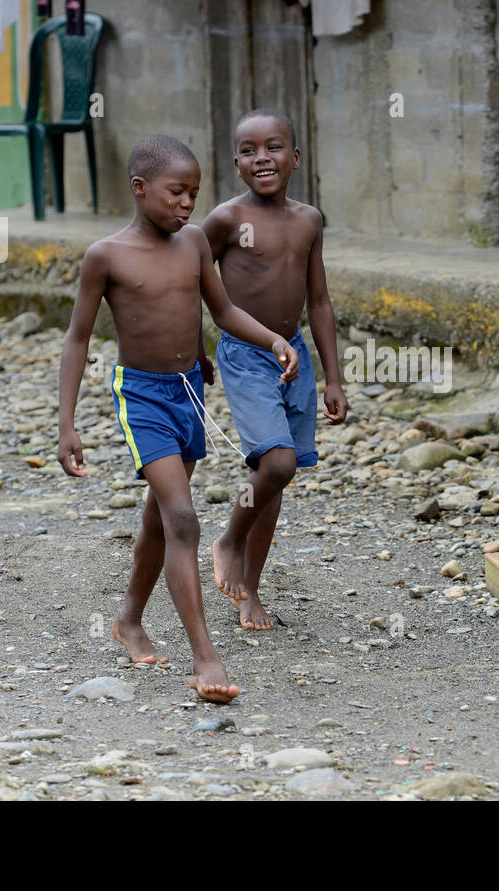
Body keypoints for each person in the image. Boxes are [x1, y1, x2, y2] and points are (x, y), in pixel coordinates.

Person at [56, 134, 298, 703]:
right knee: (183, 519)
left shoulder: (193, 243)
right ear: (139, 189)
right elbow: (77, 338)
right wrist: (67, 423)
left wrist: (270, 340)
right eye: (175, 192)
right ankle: (205, 658)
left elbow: (222, 310)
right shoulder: (106, 256)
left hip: (188, 391)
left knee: (157, 519)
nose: (187, 204)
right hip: (140, 396)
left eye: (194, 193)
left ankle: (129, 619)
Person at [202, 109, 348, 630]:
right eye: (249, 150)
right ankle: (228, 539)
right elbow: (191, 281)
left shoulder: (309, 219)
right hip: (245, 355)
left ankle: (250, 593)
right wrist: (195, 350)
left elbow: (321, 300)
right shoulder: (224, 220)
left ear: (296, 157)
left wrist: (333, 377)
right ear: (237, 163)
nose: (262, 158)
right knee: (279, 464)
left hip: (296, 356)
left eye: (274, 147)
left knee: (272, 477)